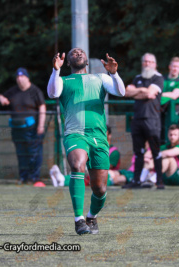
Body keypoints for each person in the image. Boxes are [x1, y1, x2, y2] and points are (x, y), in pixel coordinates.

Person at [47, 48, 125, 235]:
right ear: (68, 62)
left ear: (87, 61)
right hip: (75, 133)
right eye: (73, 53)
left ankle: (91, 216)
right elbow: (52, 93)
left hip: (98, 136)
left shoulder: (101, 78)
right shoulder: (63, 80)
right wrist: (55, 70)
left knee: (99, 188)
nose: (78, 53)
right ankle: (79, 219)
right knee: (77, 165)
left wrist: (114, 73)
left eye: (81, 52)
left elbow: (120, 92)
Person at [0, 68, 46, 186]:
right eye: (17, 77)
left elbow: (42, 108)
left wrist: (41, 126)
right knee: (21, 154)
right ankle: (23, 177)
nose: (19, 79)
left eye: (22, 76)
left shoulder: (35, 91)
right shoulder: (13, 91)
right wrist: (1, 99)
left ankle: (35, 178)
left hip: (32, 129)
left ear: (27, 77)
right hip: (17, 129)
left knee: (34, 154)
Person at [122, 52, 164, 189]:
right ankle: (136, 181)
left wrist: (137, 92)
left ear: (155, 64)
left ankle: (160, 182)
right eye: (145, 61)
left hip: (152, 120)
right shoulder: (138, 78)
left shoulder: (158, 78)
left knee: (155, 151)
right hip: (137, 119)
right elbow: (126, 92)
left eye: (150, 62)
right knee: (138, 152)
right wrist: (142, 90)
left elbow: (151, 94)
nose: (147, 64)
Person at [50, 125, 122, 187]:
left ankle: (62, 180)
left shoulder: (114, 151)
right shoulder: (96, 148)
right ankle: (62, 179)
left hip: (107, 175)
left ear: (109, 135)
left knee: (91, 175)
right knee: (81, 174)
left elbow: (107, 166)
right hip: (94, 173)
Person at [160, 57, 179, 141]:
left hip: (172, 112)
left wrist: (158, 94)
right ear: (169, 67)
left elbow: (174, 95)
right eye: (174, 66)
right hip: (157, 109)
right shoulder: (161, 79)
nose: (175, 69)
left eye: (178, 67)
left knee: (172, 134)